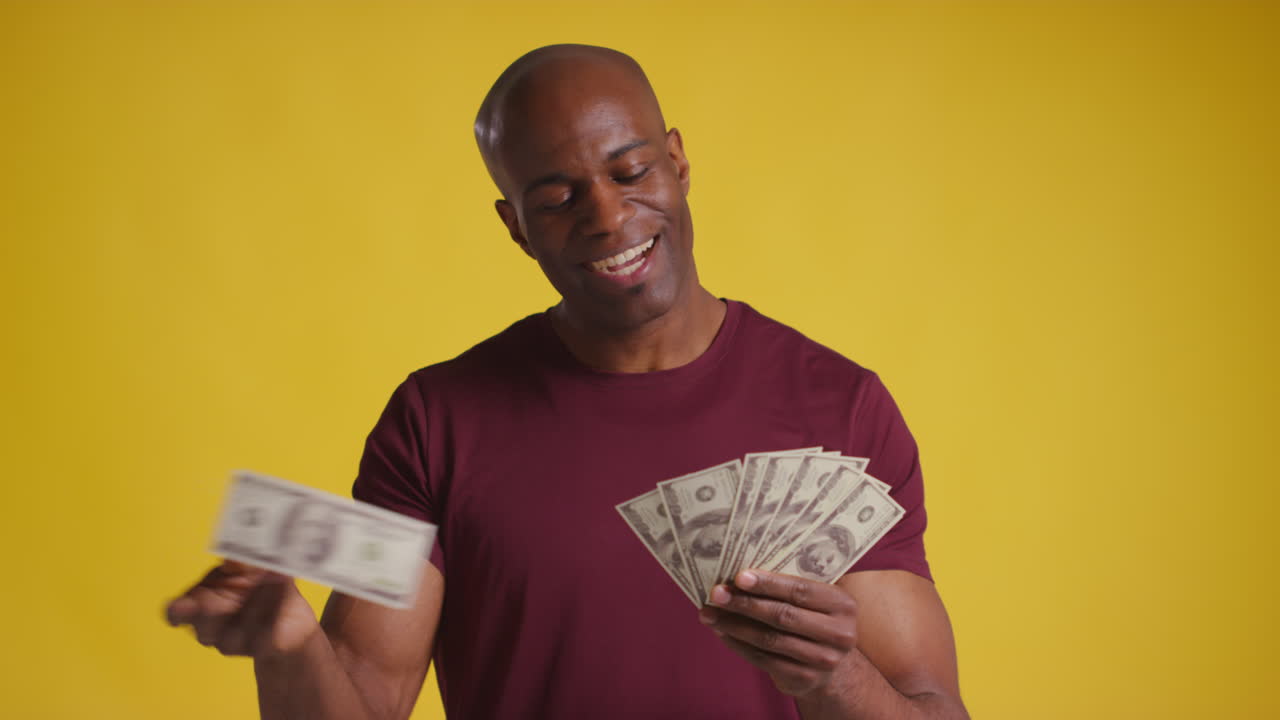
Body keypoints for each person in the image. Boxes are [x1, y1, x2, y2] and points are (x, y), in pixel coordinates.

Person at [165, 44, 969, 720]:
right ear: (515, 225)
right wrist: (290, 647)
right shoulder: (436, 421)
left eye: (630, 171)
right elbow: (367, 698)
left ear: (679, 162)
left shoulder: (839, 407)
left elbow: (933, 709)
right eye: (557, 197)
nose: (609, 218)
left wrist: (836, 675)